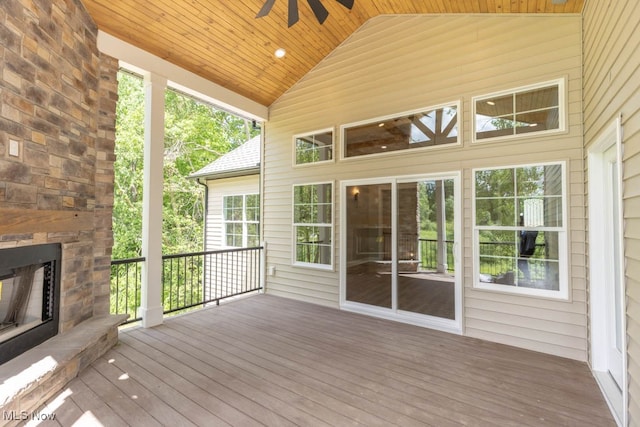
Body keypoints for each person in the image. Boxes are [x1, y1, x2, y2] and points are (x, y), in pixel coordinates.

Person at [518, 213, 538, 282]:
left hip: (528, 248)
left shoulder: (532, 229)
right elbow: (522, 237)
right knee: (522, 262)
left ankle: (527, 277)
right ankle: (527, 277)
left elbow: (532, 235)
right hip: (524, 249)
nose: (522, 222)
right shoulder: (524, 229)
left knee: (520, 262)